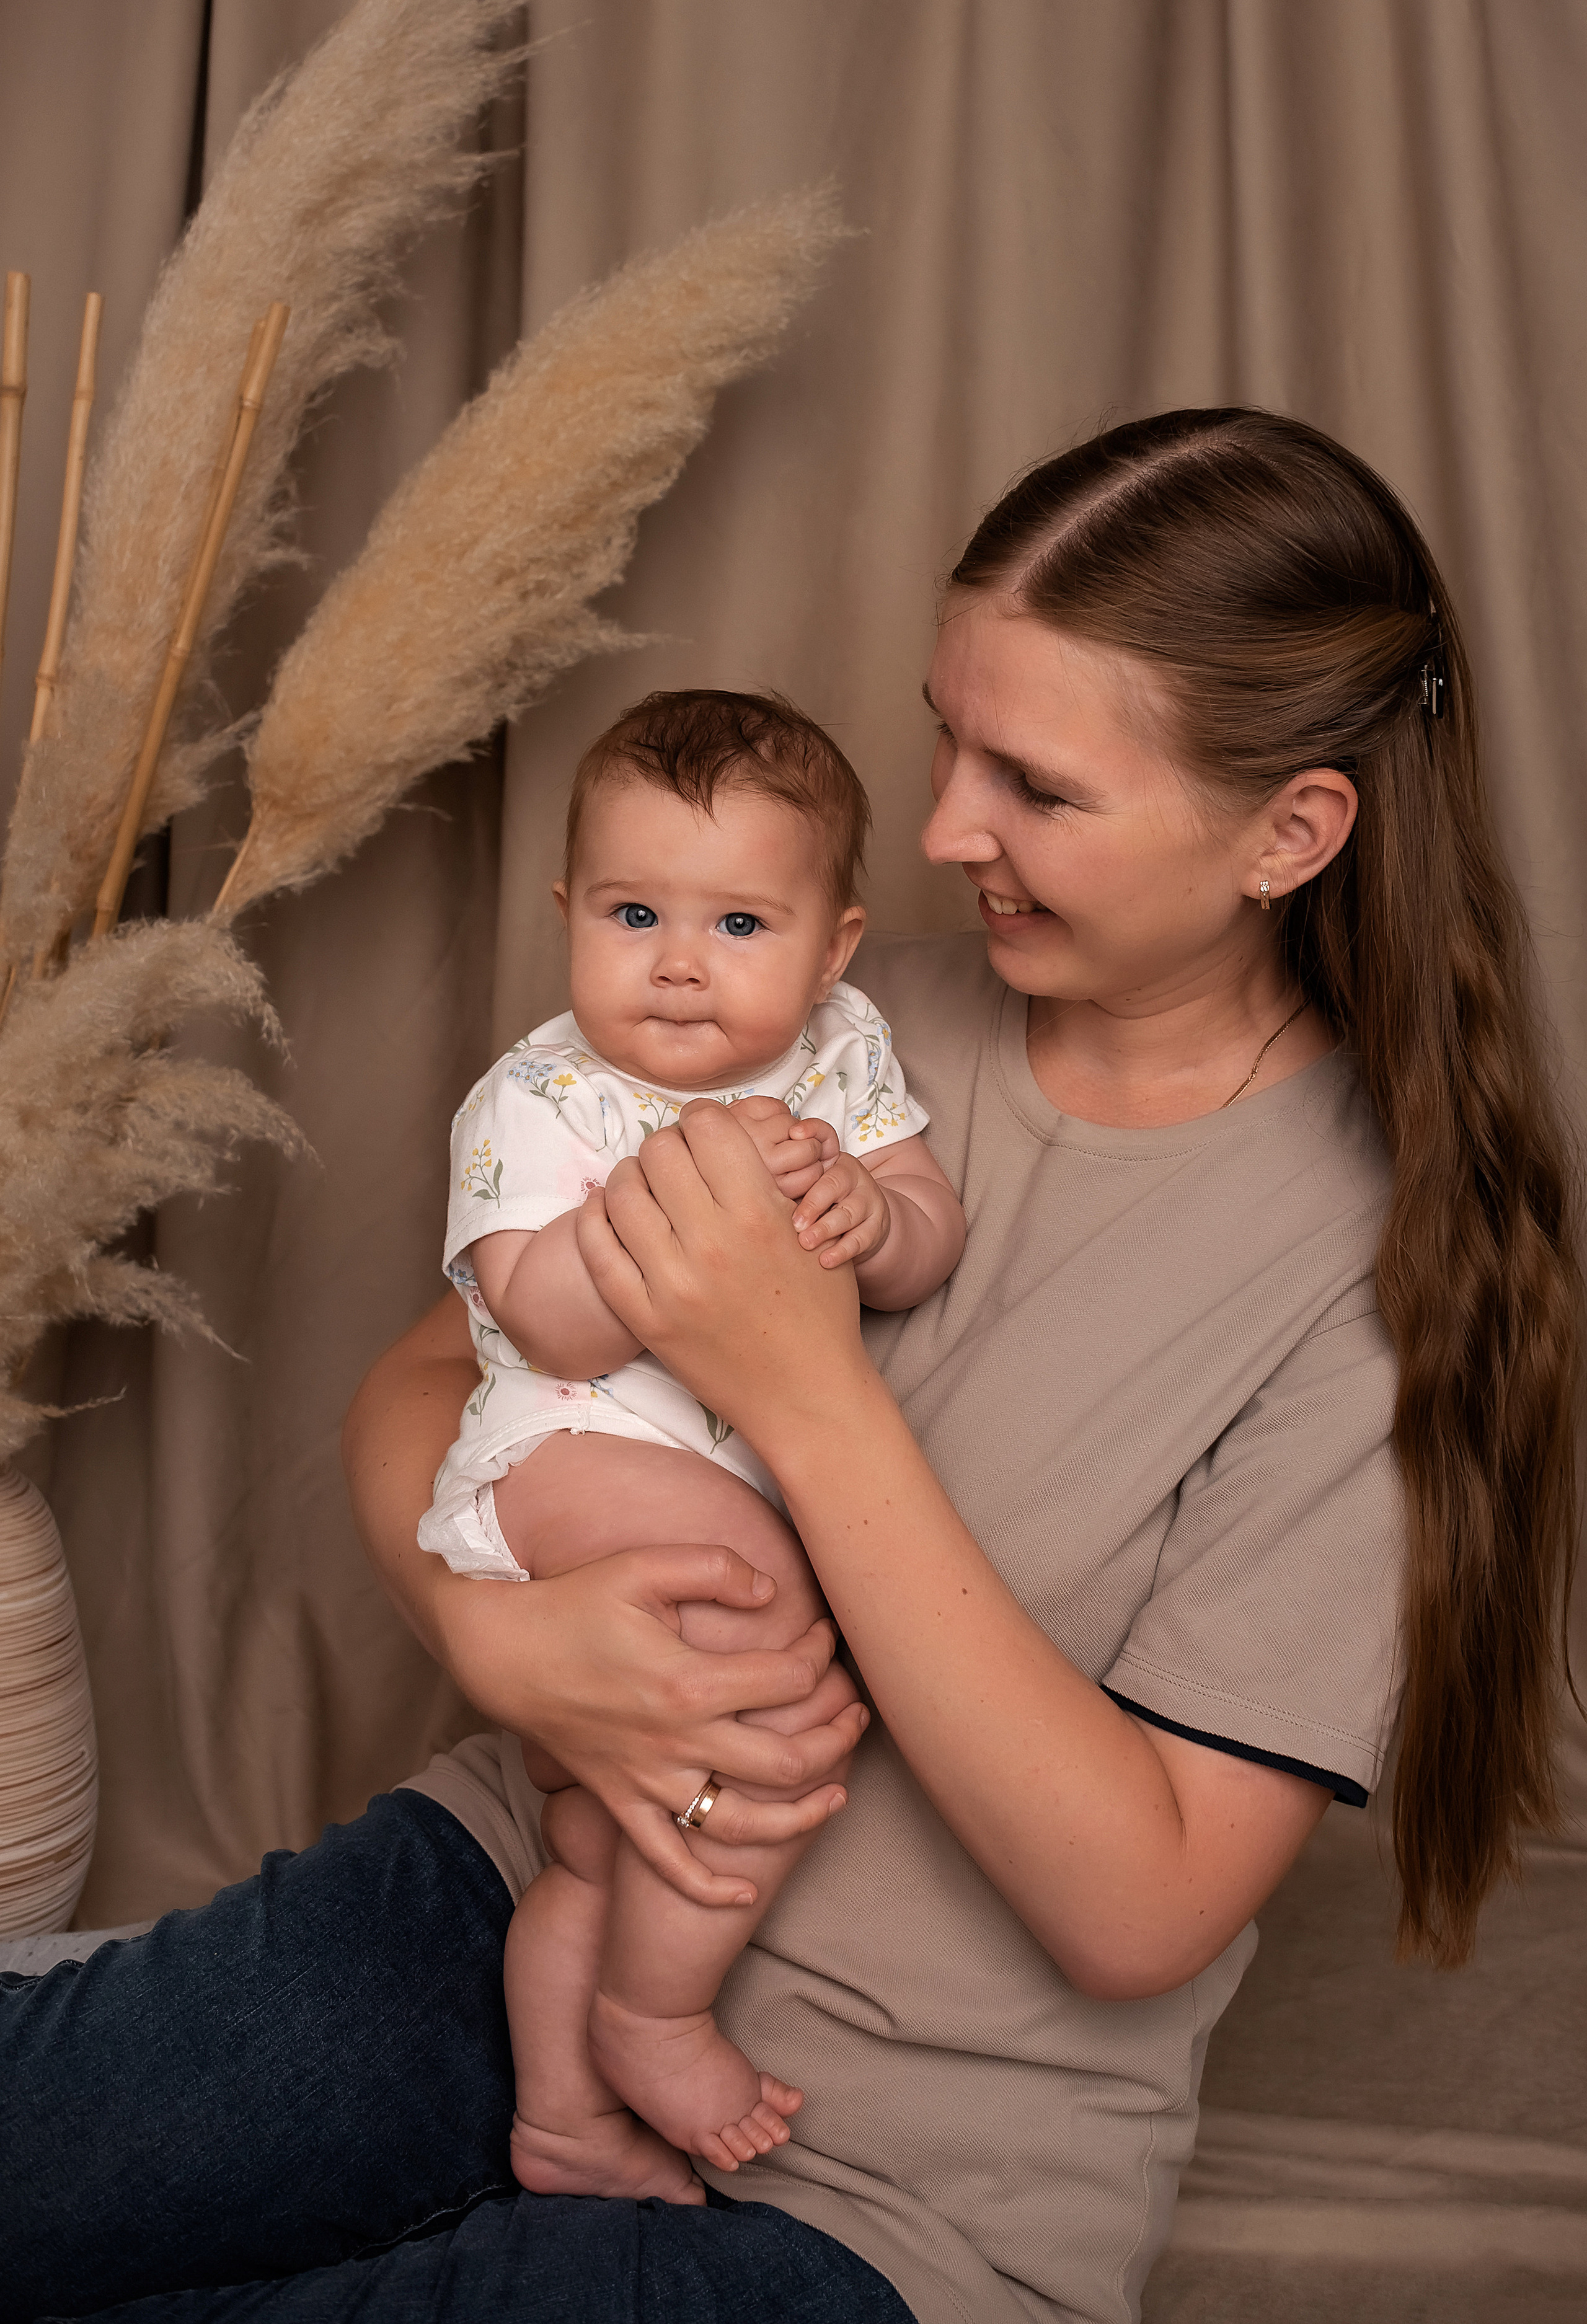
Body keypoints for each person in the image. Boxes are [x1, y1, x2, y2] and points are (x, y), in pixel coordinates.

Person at [4, 408, 1579, 2324]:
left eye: (1037, 785)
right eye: (946, 738)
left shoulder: (1383, 1270)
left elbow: (1143, 1906)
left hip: (894, 2186)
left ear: (1293, 832)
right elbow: (432, 1389)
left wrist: (806, 1388)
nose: (942, 830)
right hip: (522, 1901)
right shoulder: (819, 1013)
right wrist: (497, 1638)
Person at [418, 689, 964, 2196]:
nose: (676, 962)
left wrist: (871, 1214)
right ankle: (656, 2015)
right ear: (566, 916)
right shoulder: (539, 1098)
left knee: (602, 1845)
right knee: (773, 1641)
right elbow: (545, 1322)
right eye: (633, 914)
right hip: (561, 1449)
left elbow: (925, 1234)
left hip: (702, 1461)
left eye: (737, 925)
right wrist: (670, 1199)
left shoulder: (839, 1055)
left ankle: (565, 2123)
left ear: (831, 950)